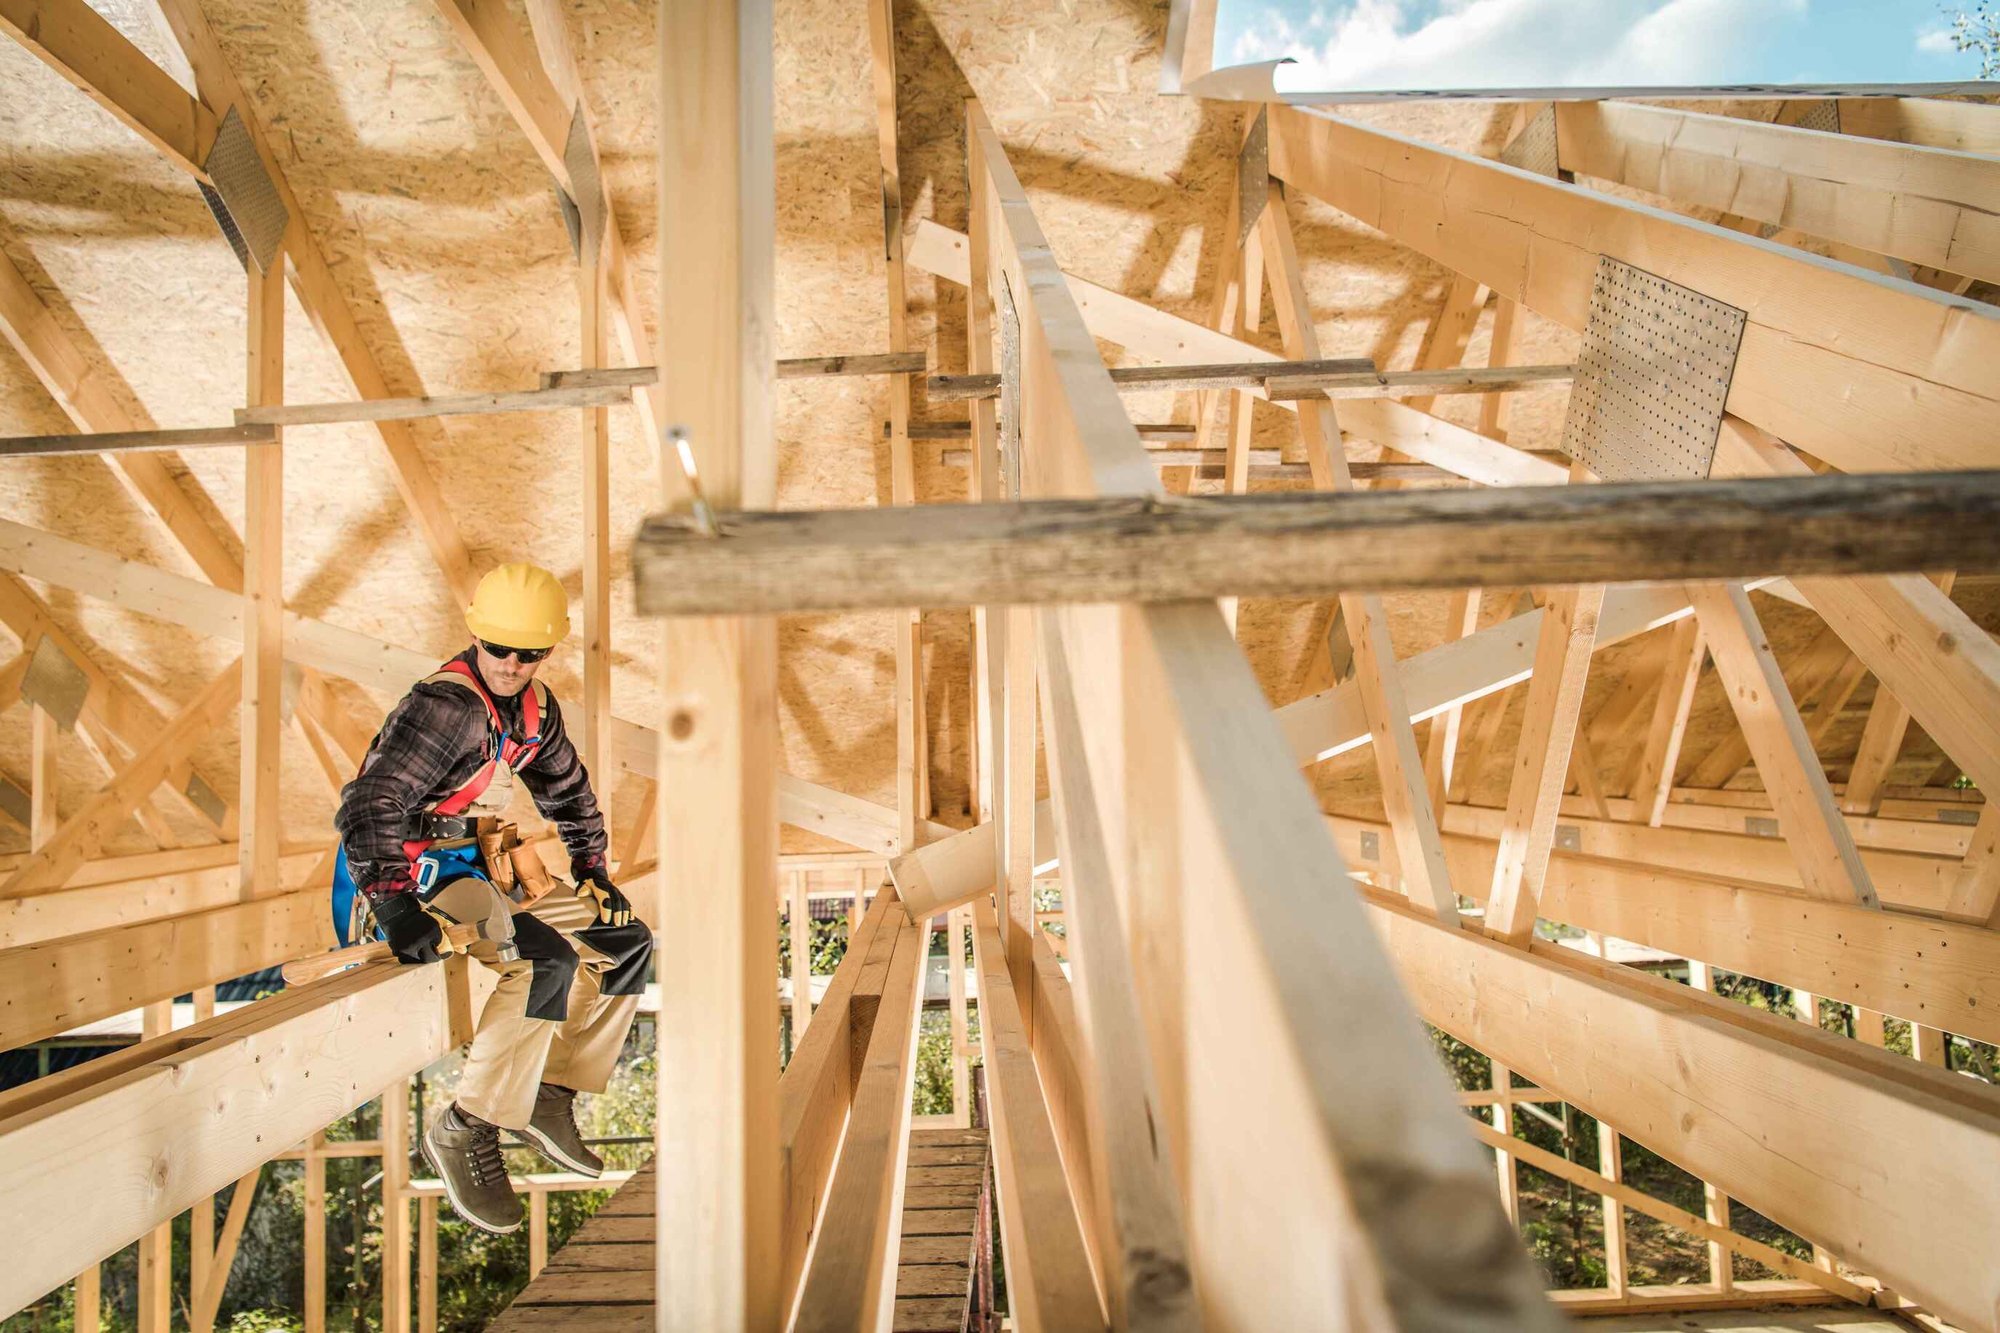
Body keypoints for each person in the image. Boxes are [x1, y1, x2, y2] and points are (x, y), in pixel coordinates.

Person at [332, 562, 651, 1234]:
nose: (511, 663)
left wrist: (593, 866)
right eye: (499, 647)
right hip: (416, 874)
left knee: (625, 943)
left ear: (547, 650)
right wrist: (392, 903)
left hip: (478, 866)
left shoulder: (534, 710)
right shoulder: (447, 708)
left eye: (528, 652)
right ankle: (465, 1125)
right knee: (544, 961)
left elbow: (568, 791)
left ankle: (547, 1094)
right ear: (477, 634)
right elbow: (368, 801)